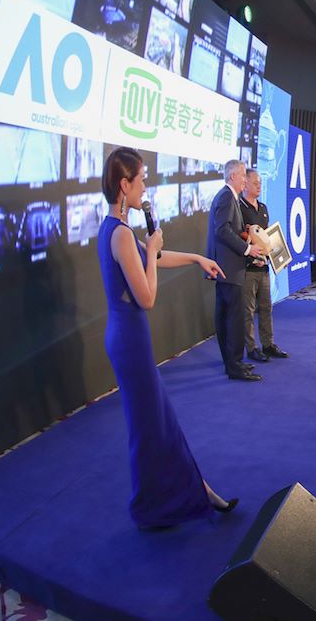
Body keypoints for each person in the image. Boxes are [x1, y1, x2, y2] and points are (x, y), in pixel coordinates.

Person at [101, 147, 237, 527]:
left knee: (158, 423)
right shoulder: (121, 234)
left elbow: (155, 258)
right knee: (150, 428)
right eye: (141, 180)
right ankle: (152, 507)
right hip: (129, 340)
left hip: (127, 337)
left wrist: (196, 258)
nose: (145, 187)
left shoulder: (115, 228)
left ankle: (191, 492)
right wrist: (152, 252)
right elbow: (147, 297)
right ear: (124, 184)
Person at [208, 159, 266, 381]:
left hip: (227, 268)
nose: (245, 180)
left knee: (227, 317)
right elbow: (222, 230)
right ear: (232, 176)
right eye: (243, 175)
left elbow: (228, 229)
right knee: (233, 319)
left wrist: (246, 233)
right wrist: (247, 249)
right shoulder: (226, 196)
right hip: (229, 268)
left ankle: (233, 363)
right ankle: (235, 365)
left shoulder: (227, 197)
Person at [239, 169, 288, 363]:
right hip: (247, 269)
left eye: (260, 183)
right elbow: (237, 235)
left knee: (266, 308)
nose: (259, 186)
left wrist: (279, 257)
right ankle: (251, 348)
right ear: (245, 184)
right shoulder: (239, 208)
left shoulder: (263, 208)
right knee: (248, 311)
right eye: (255, 183)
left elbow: (268, 237)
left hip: (264, 267)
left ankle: (268, 344)